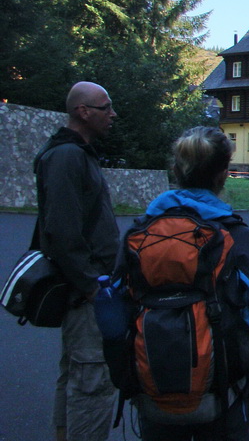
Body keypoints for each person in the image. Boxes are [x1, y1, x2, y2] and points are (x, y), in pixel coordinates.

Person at [135, 126, 249, 441]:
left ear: (175, 170)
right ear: (223, 174)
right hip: (223, 401)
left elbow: (118, 319)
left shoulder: (140, 236)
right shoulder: (241, 241)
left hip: (154, 397)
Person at [34, 81, 120, 441]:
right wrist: (90, 288)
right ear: (82, 112)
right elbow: (62, 232)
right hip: (86, 291)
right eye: (105, 107)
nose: (113, 114)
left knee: (76, 374)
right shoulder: (67, 157)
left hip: (86, 288)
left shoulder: (75, 153)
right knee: (93, 381)